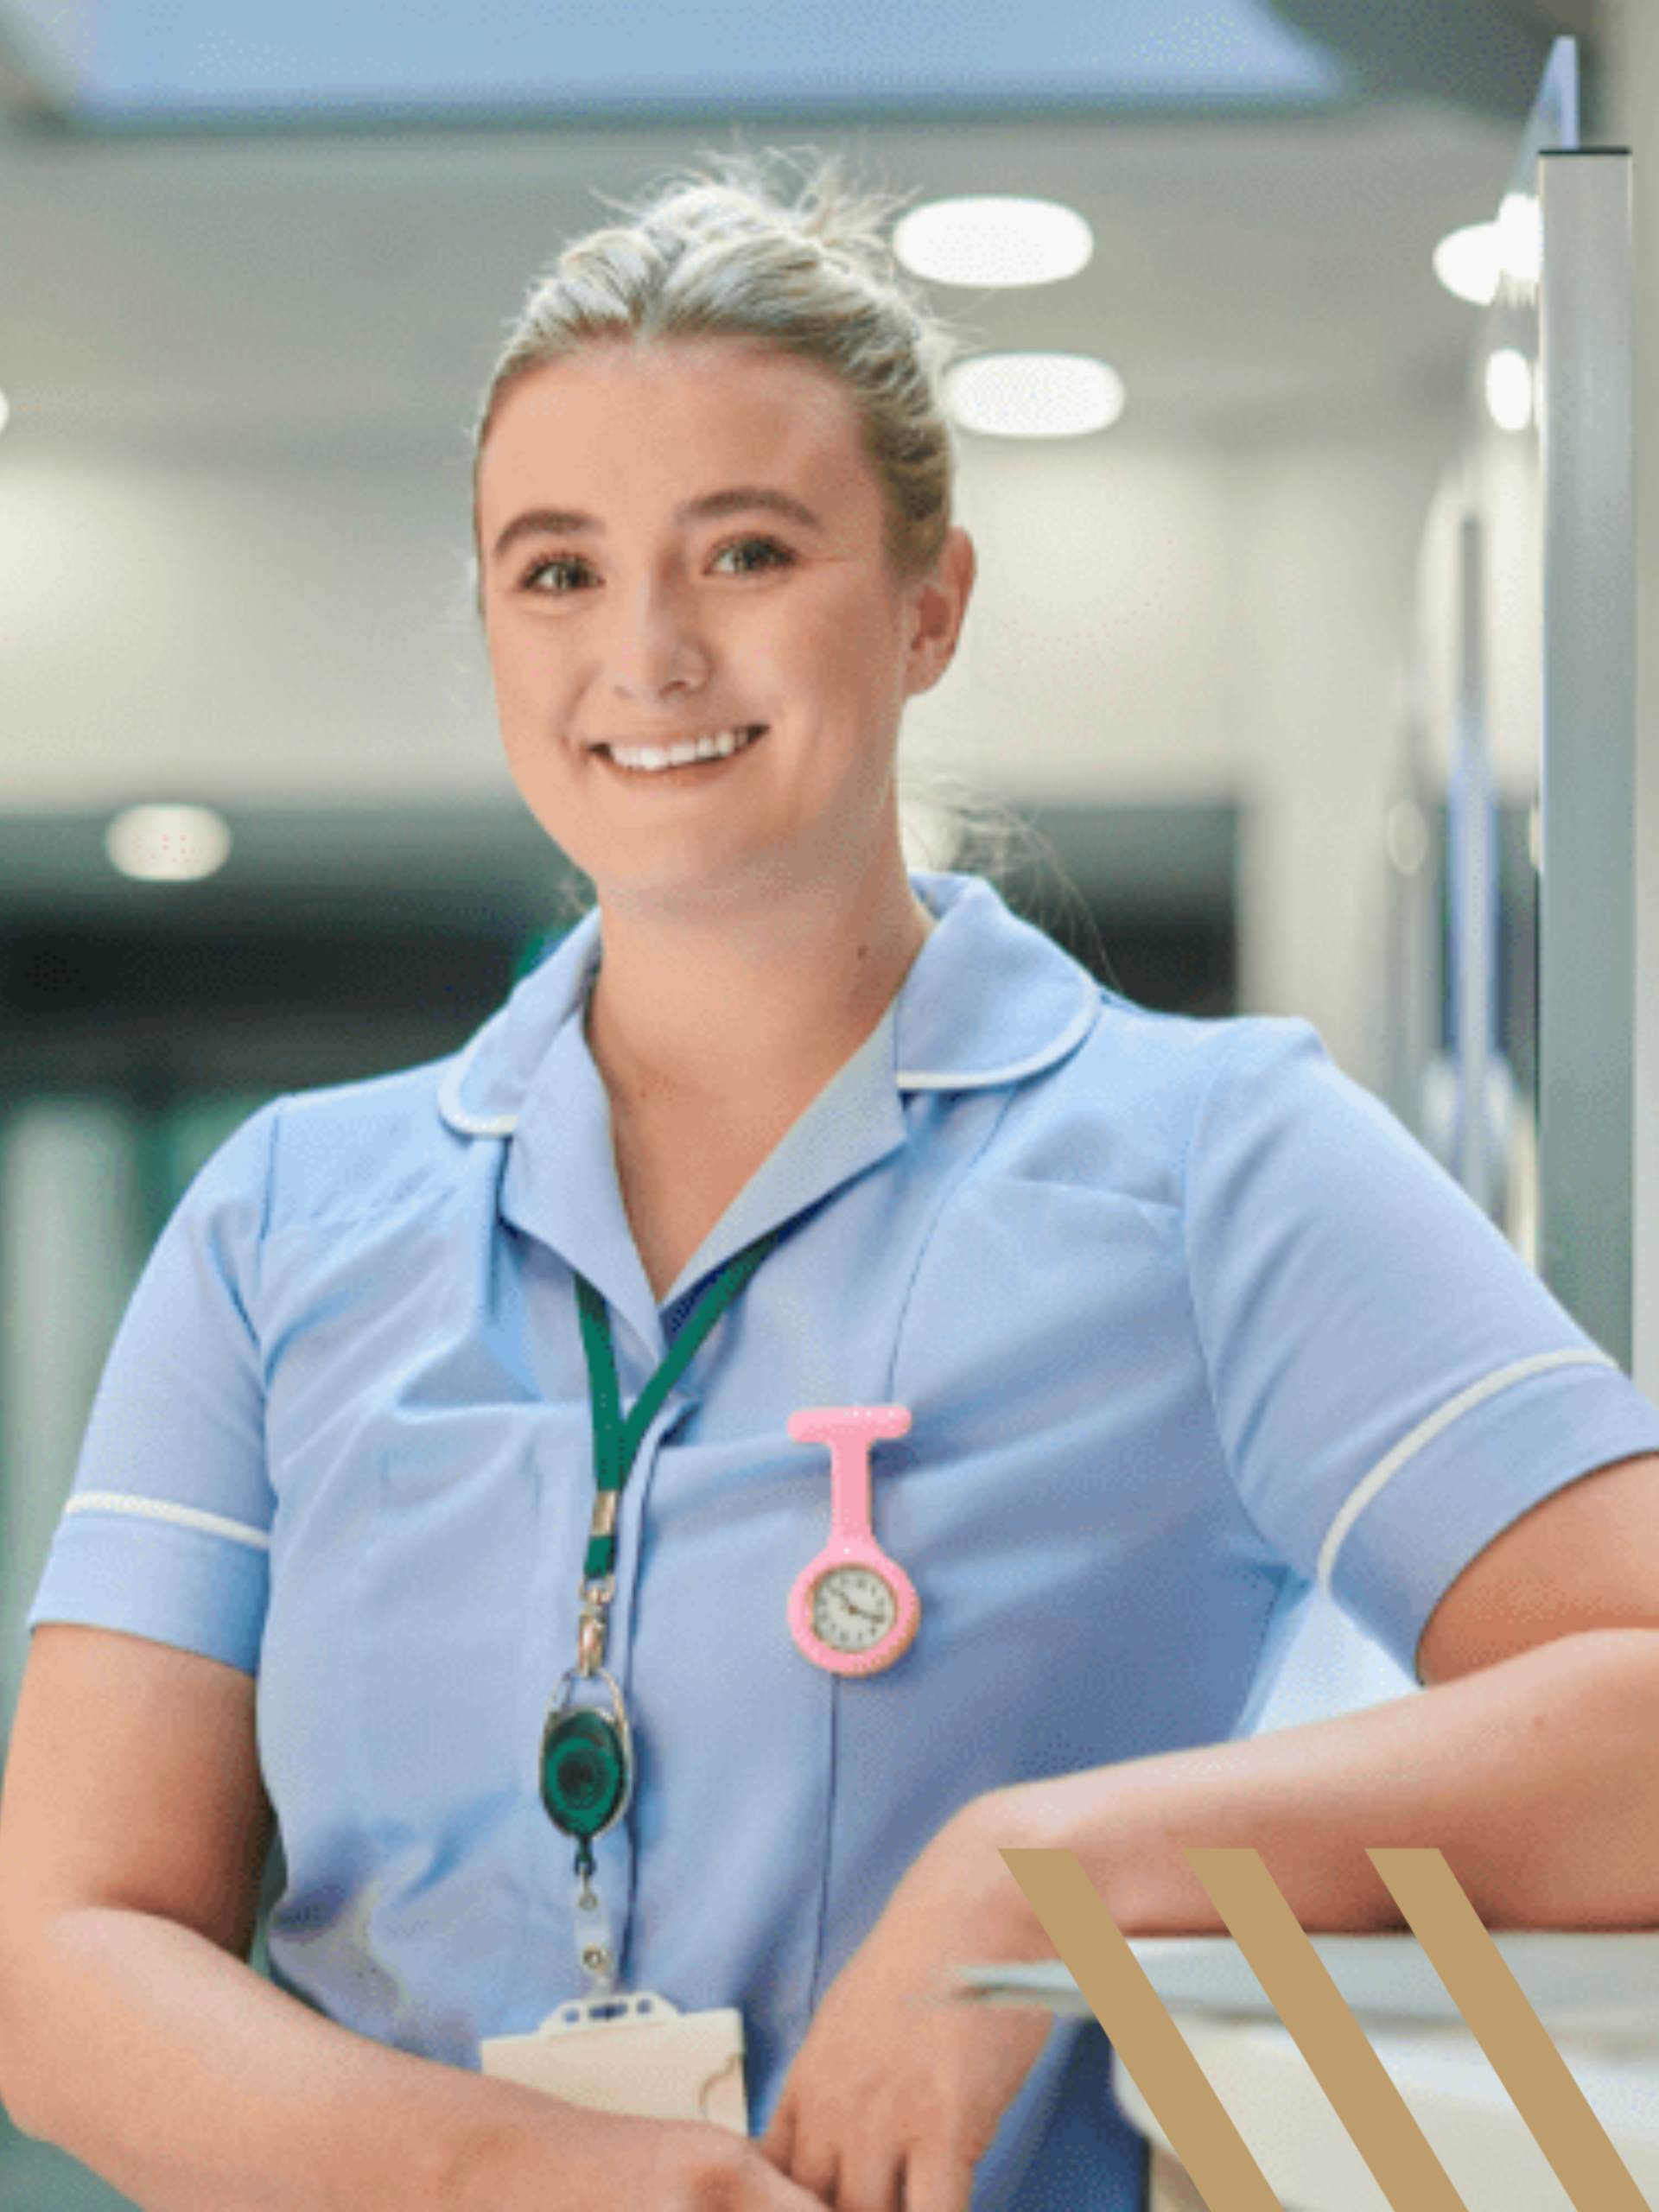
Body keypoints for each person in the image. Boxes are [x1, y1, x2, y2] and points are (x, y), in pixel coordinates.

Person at [3, 150, 1659, 2212]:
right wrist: (519, 2173)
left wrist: (1055, 1871)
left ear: (930, 604)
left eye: (749, 551)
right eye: (557, 571)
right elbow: (65, 1957)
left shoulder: (1211, 1157)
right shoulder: (280, 1225)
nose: (650, 652)